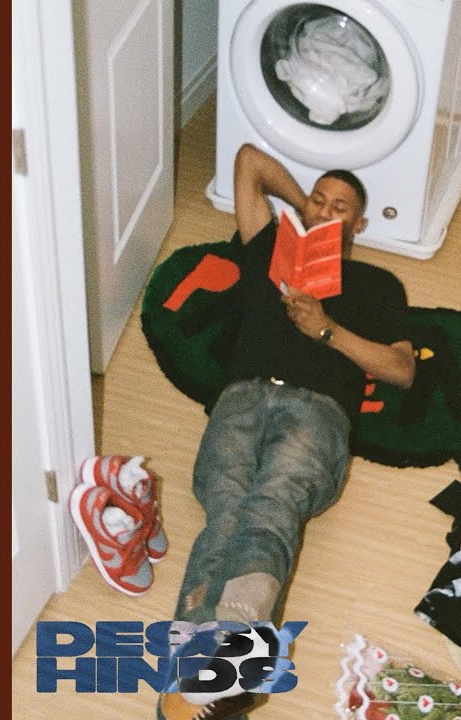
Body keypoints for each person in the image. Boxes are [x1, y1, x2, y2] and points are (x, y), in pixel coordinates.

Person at [157, 143, 416, 720]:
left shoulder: (378, 284)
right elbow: (250, 162)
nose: (326, 209)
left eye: (341, 208)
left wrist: (326, 330)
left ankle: (219, 666)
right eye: (320, 199)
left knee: (269, 505)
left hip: (316, 410)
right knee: (224, 508)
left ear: (360, 225)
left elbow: (401, 370)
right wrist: (304, 214)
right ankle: (207, 674)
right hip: (240, 397)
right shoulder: (272, 250)